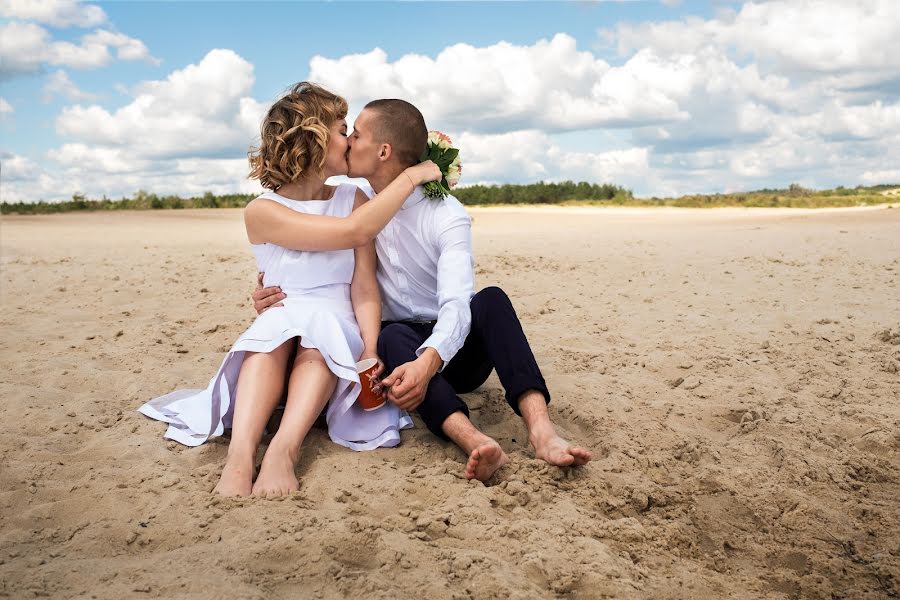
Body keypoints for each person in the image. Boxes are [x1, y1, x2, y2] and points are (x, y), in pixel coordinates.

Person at [253, 99, 591, 482]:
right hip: (398, 347)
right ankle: (472, 438)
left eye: (356, 134)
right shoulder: (358, 204)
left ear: (383, 151)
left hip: (454, 352)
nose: (347, 141)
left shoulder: (446, 214)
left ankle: (542, 430)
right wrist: (272, 289)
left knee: (492, 300)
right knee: (394, 334)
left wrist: (428, 361)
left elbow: (457, 305)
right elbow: (321, 253)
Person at [139, 82, 441, 497]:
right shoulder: (263, 211)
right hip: (282, 315)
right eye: (341, 130)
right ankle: (241, 454)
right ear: (313, 138)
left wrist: (370, 348)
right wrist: (411, 176)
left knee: (318, 336)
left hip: (336, 321)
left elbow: (364, 285)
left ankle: (284, 448)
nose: (350, 140)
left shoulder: (353, 197)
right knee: (271, 337)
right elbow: (352, 232)